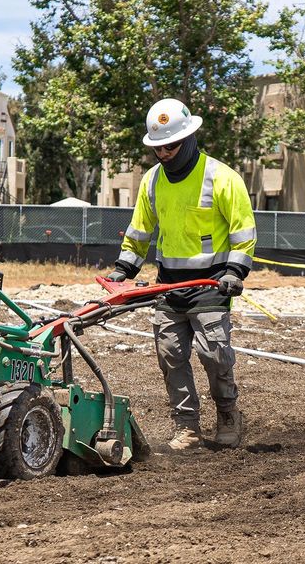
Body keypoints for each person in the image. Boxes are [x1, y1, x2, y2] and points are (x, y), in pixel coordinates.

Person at [106, 98, 256, 451]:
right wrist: (122, 271)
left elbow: (243, 231)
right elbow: (140, 231)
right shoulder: (153, 181)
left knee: (214, 355)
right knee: (171, 355)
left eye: (171, 145)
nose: (165, 153)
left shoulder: (221, 177)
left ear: (189, 138)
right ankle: (187, 427)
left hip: (211, 284)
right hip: (169, 286)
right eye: (158, 147)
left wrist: (235, 271)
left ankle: (229, 417)